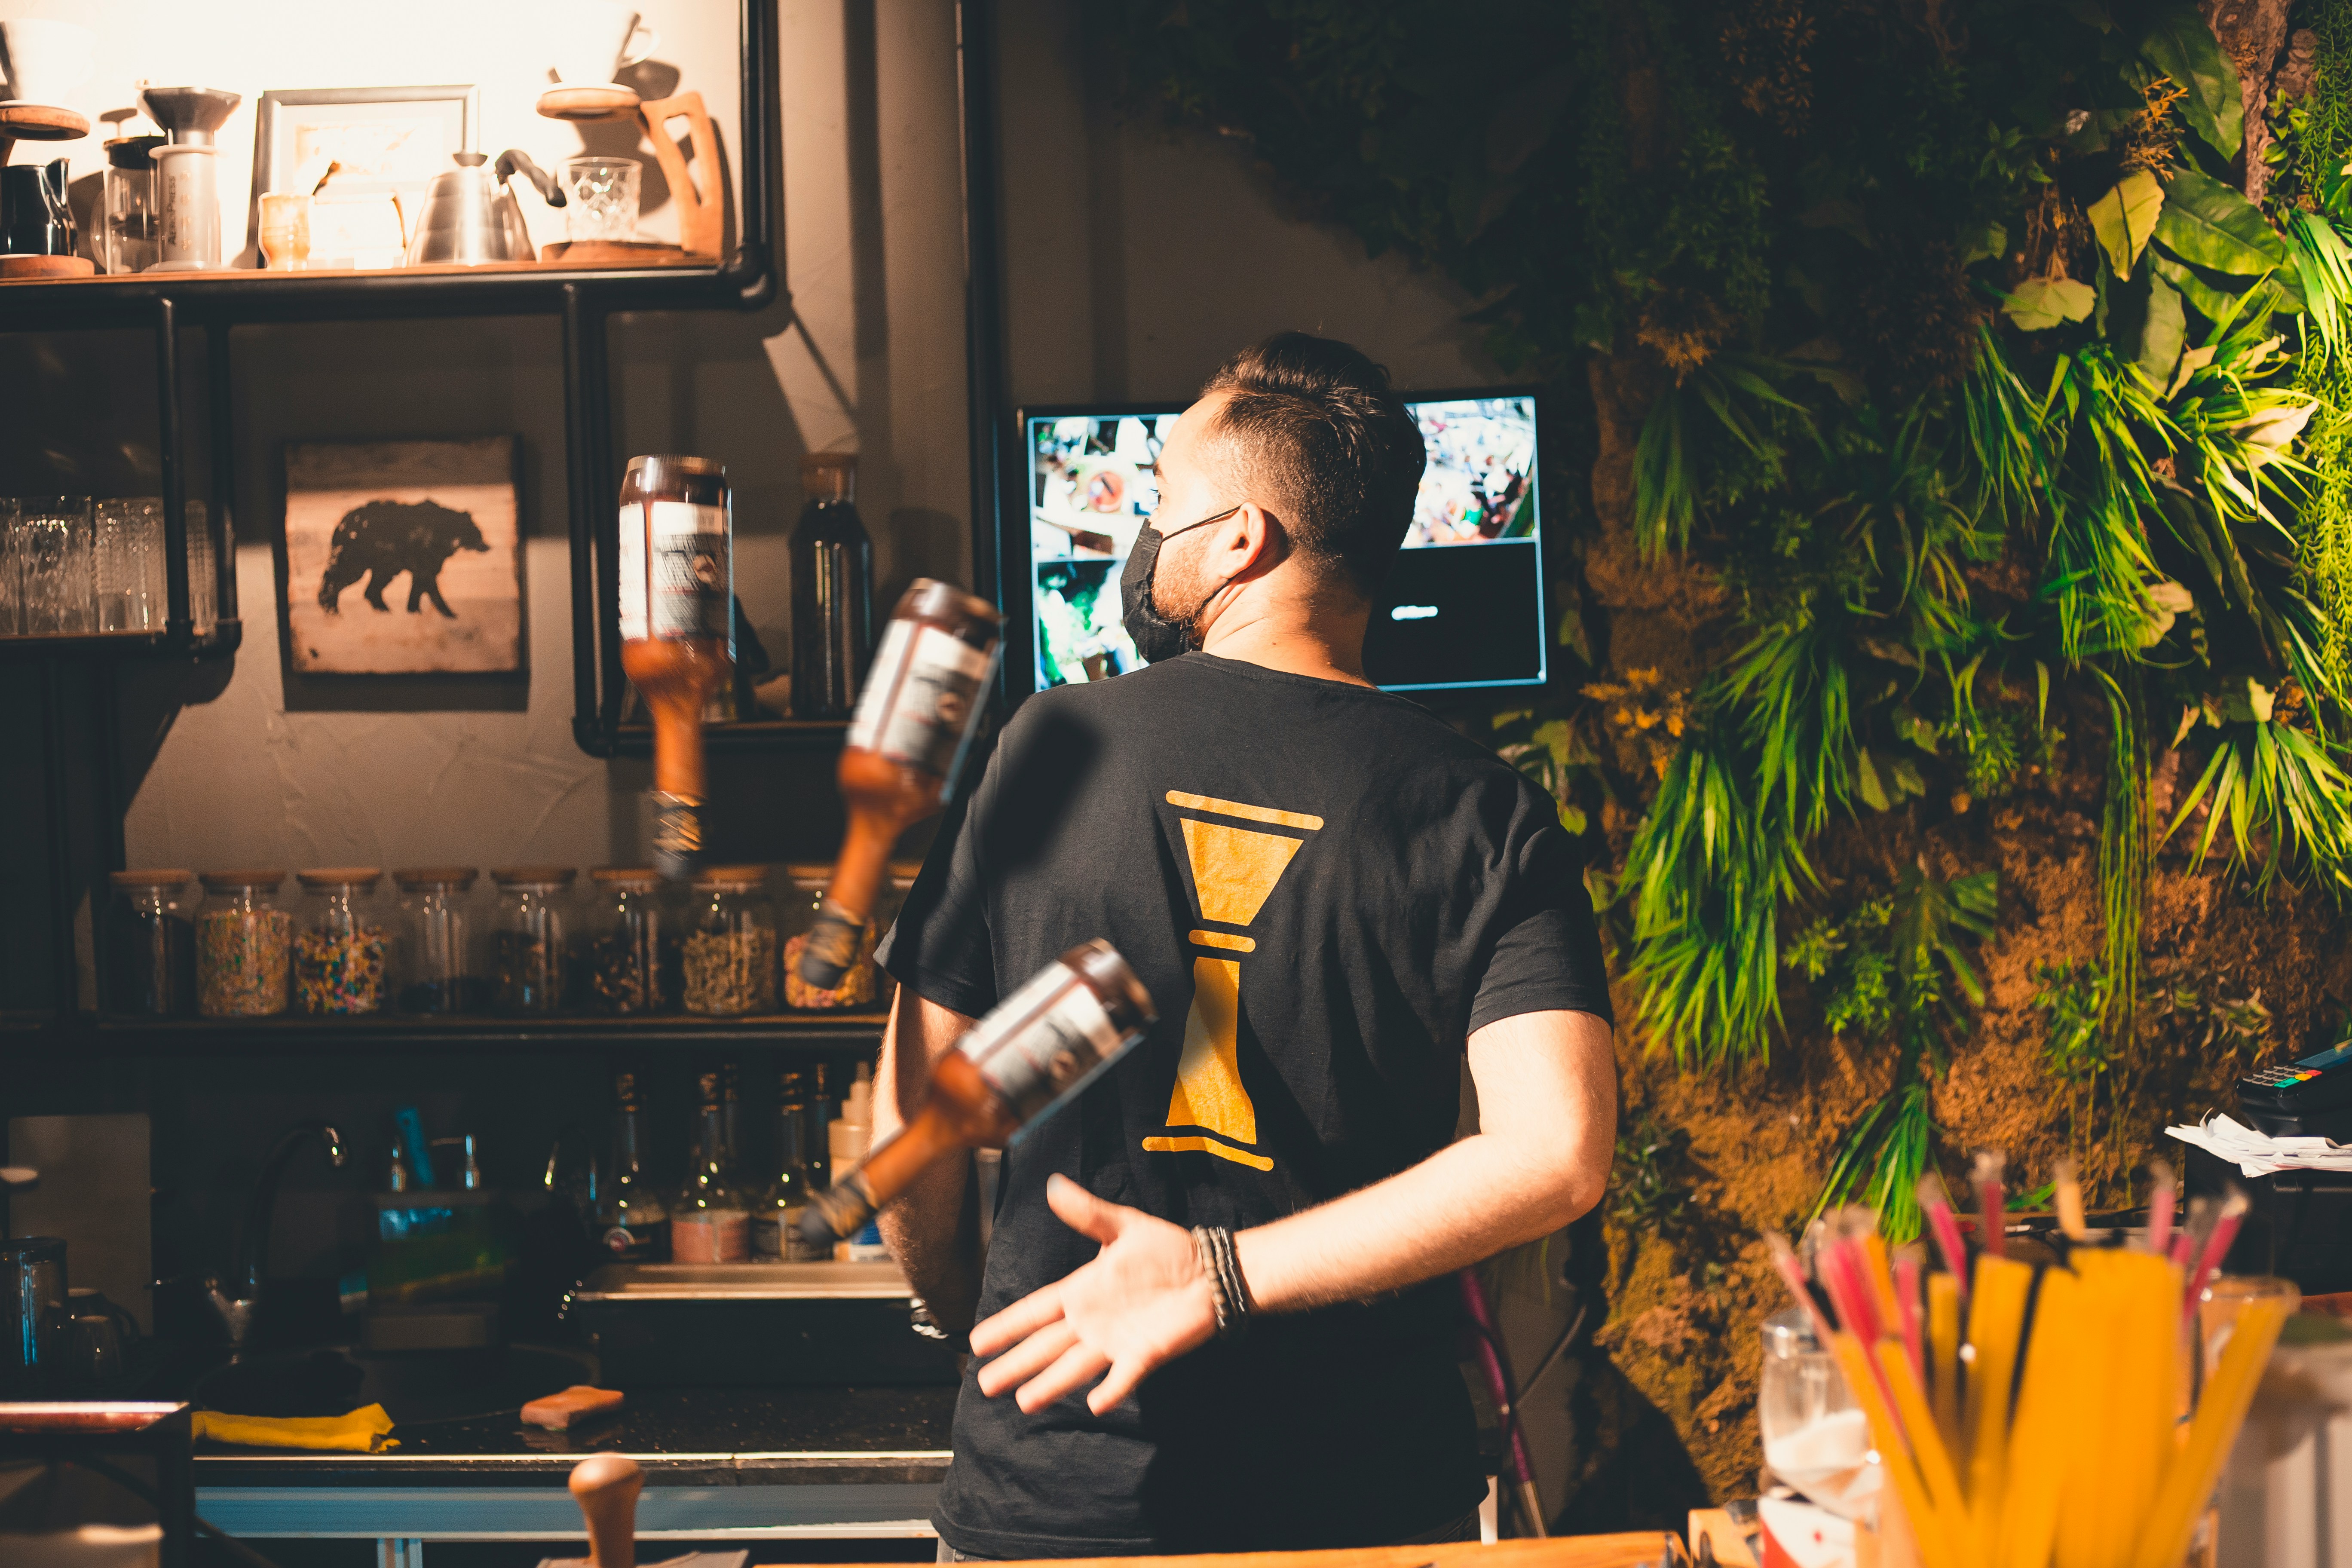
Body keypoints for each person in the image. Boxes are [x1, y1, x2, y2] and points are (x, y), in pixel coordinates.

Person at [874, 331, 1617, 1559]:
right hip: (1367, 1507)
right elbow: (1558, 1153)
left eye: (1160, 503)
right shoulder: (1483, 807)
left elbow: (910, 1141)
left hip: (1060, 1501)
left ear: (1240, 538)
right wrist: (1230, 1275)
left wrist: (982, 1328)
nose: (1141, 539)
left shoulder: (1047, 746)